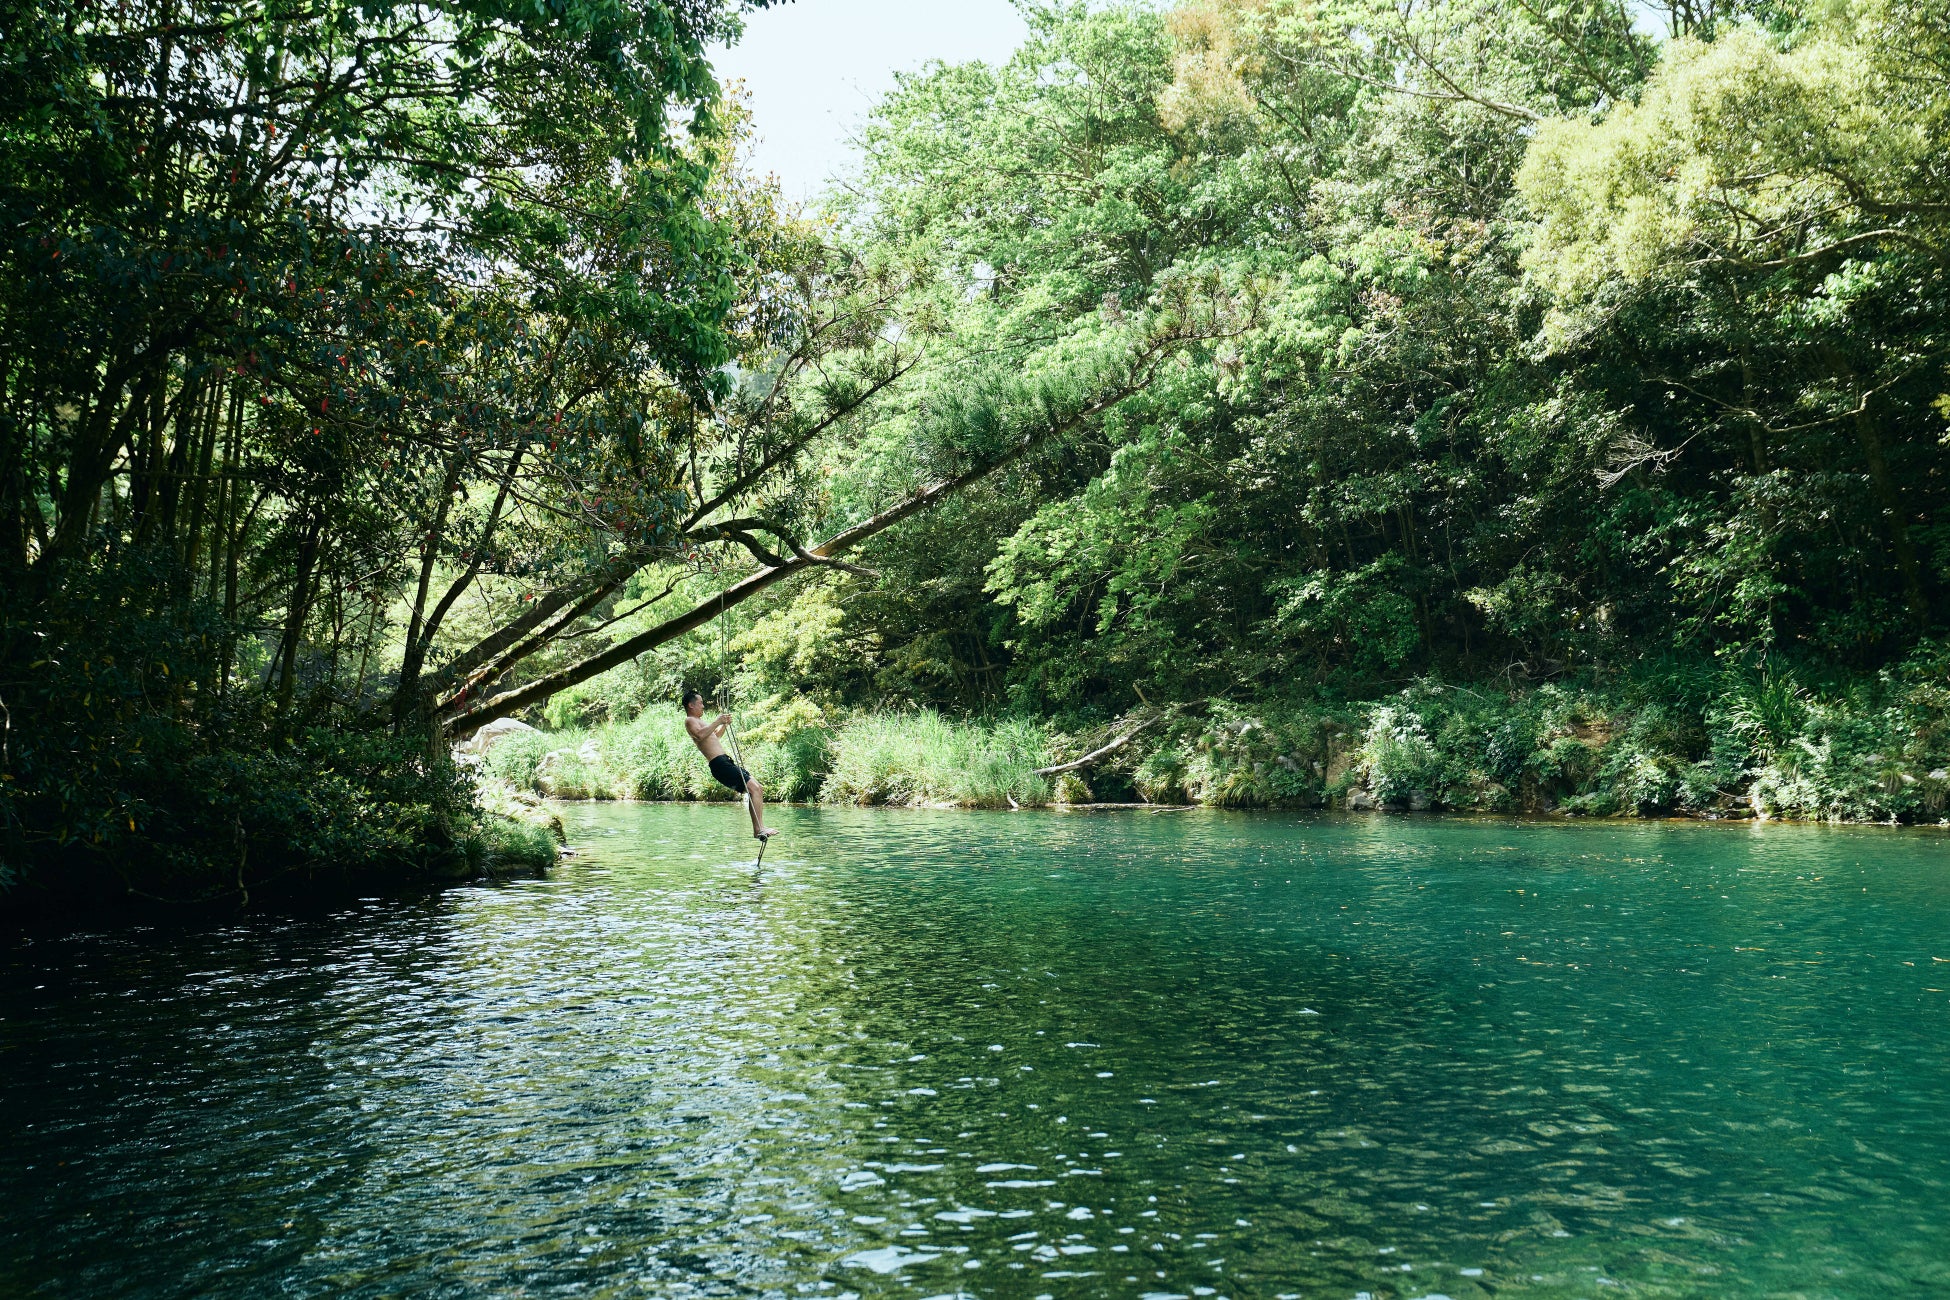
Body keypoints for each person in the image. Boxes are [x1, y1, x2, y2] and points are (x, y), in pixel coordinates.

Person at [683, 690, 776, 841]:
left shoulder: (701, 722)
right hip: (719, 764)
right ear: (691, 705)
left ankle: (760, 828)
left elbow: (715, 737)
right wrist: (717, 721)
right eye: (700, 703)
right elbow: (700, 735)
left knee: (757, 788)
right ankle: (758, 829)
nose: (703, 706)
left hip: (725, 761)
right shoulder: (690, 720)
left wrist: (724, 725)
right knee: (754, 788)